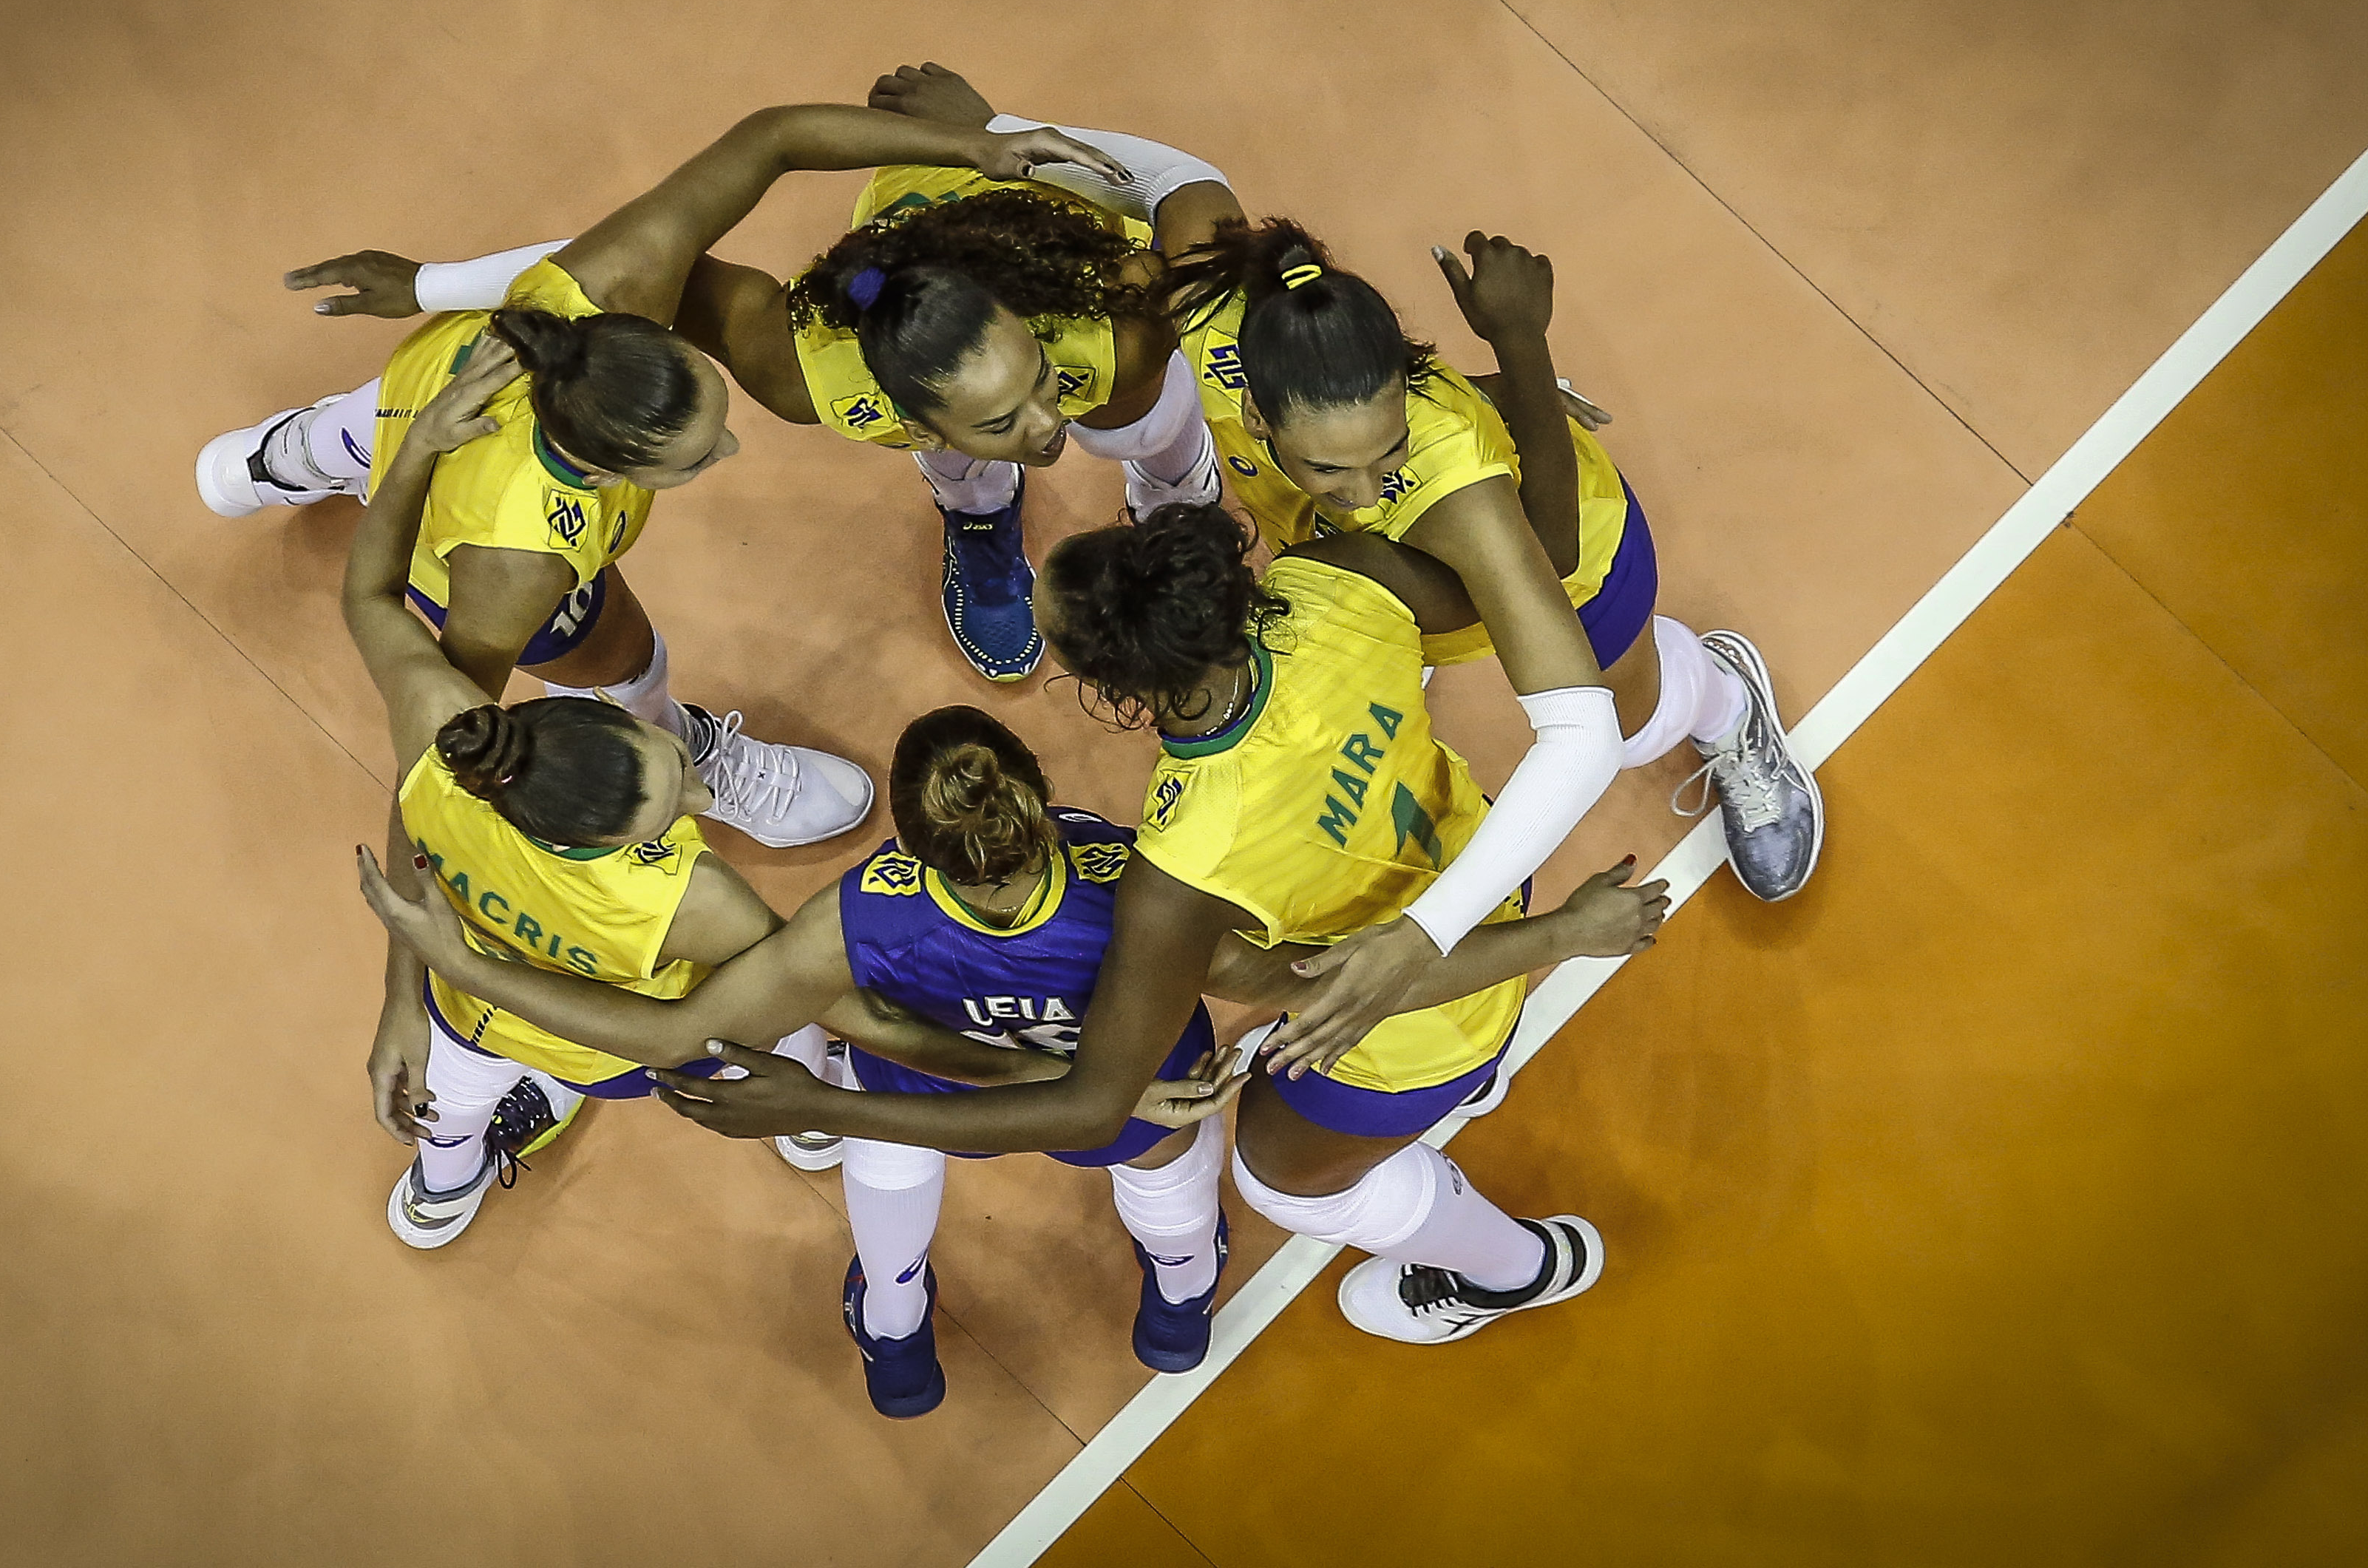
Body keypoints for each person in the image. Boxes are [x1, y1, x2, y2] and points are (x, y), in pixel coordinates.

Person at [640, 507, 1675, 1347]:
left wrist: (828, 1104)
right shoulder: (1337, 581)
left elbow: (1103, 1106)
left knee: (1283, 1180)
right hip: (1489, 866)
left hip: (1420, 1017)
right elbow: (1516, 566)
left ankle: (1516, 1270)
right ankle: (1478, 1077)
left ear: (1114, 690)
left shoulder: (1182, 873)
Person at [197, 102, 1127, 844]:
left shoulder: (607, 296)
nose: (728, 453)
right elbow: (446, 724)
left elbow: (772, 138)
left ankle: (299, 452)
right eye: (698, 457)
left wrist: (977, 144)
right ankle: (681, 752)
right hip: (458, 544)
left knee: (384, 419)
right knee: (621, 658)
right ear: (608, 473)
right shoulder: (520, 565)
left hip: (427, 388)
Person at [356, 705, 1249, 1416]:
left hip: (920, 1093)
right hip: (1143, 1089)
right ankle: (1182, 1294)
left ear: (905, 839)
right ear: (1038, 793)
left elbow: (693, 1035)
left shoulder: (854, 913)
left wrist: (438, 970)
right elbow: (1264, 963)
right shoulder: (1145, 881)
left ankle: (896, 1333)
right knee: (1167, 1180)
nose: (702, 801)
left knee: (883, 1188)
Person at [346, 347, 1036, 1250]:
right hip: (610, 1051)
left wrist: (418, 449)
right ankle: (810, 1118)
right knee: (782, 1025)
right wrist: (1040, 1075)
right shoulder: (687, 902)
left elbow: (368, 592)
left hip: (467, 1020)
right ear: (605, 845)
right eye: (680, 794)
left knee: (443, 1098)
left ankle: (441, 1187)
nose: (702, 789)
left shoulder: (442, 757)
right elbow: (813, 1012)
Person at [359, 62, 1241, 682]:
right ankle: (979, 514)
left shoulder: (1124, 319)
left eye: (1040, 382)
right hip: (907, 243)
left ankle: (1174, 488)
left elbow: (1184, 187)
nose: (1047, 423)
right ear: (909, 414)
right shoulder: (799, 374)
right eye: (1005, 418)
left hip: (1031, 216)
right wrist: (434, 289)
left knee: (1136, 413)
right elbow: (613, 277)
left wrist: (983, 131)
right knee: (977, 457)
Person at [1155, 217, 1825, 904]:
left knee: (1630, 731)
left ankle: (1725, 702)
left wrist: (1520, 346)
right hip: (1421, 580)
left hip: (1570, 565)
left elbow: (1552, 551)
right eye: (1328, 467)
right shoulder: (1217, 324)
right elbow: (1164, 184)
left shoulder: (1454, 483)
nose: (1365, 492)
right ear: (1257, 414)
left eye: (1392, 448)